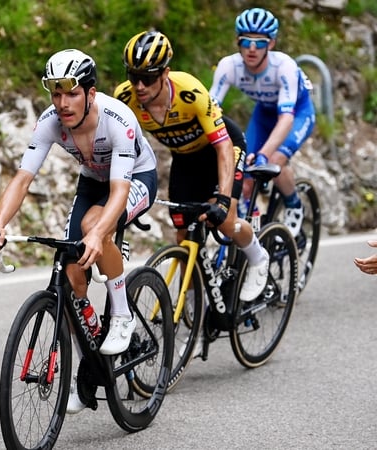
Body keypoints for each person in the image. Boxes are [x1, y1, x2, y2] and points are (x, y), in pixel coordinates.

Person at [0, 49, 159, 413]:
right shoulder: (50, 121)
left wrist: (97, 233)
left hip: (135, 178)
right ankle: (87, 367)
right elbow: (23, 178)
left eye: (72, 93)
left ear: (90, 93)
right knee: (70, 273)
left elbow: (119, 191)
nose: (63, 103)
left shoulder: (117, 119)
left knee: (94, 227)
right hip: (93, 181)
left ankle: (122, 314)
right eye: (56, 94)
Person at [114, 31, 269, 305]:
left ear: (165, 74)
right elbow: (126, 149)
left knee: (225, 220)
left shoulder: (190, 92)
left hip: (221, 148)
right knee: (183, 234)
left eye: (147, 78)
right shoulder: (125, 98)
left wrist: (223, 200)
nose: (139, 86)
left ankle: (258, 257)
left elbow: (223, 147)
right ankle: (196, 301)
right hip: (185, 158)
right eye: (133, 76)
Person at [209, 7, 316, 237]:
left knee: (274, 161)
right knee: (246, 175)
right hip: (264, 114)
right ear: (237, 41)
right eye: (246, 41)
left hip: (297, 113)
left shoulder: (284, 66)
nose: (252, 48)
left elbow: (286, 118)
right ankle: (254, 227)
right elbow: (210, 110)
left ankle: (294, 205)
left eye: (259, 42)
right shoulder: (229, 66)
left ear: (272, 44)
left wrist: (264, 154)